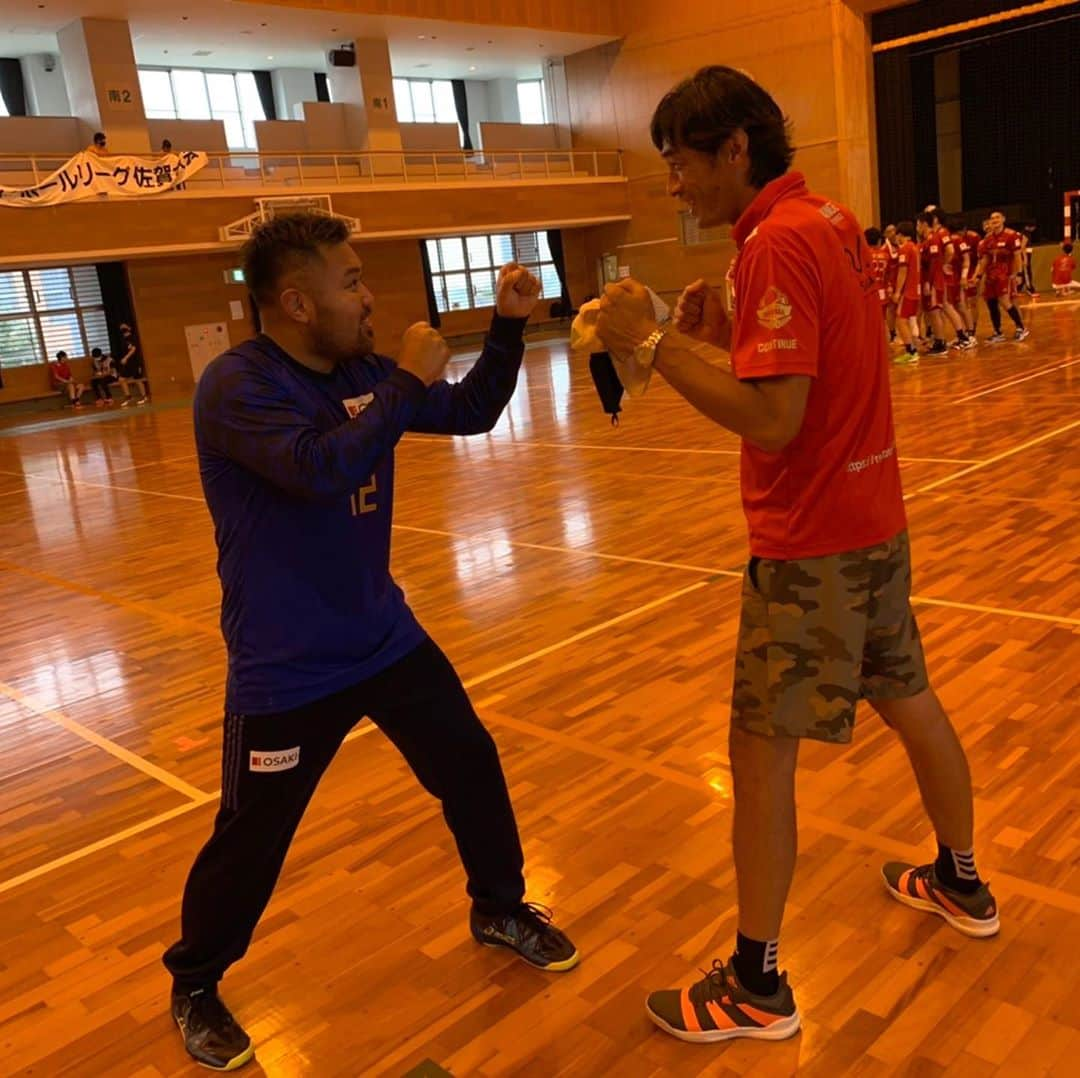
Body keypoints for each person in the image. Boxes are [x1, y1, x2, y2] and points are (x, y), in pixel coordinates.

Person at [595, 65, 998, 1047]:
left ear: (732, 149)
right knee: (910, 698)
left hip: (811, 542)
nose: (675, 186)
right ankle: (961, 876)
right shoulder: (828, 220)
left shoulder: (775, 242)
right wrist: (726, 330)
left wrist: (652, 345)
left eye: (680, 163)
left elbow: (776, 420)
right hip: (875, 521)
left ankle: (756, 982)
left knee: (759, 755)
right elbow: (820, 363)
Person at [163, 213, 578, 1071]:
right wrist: (399, 388)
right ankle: (196, 982)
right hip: (285, 669)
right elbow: (322, 467)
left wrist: (503, 328)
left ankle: (499, 906)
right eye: (350, 281)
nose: (367, 295)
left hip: (381, 636)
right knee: (252, 837)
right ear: (295, 302)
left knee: (468, 759)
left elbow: (468, 412)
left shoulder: (357, 369)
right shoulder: (237, 388)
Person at [973, 212, 1029, 342]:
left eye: (997, 217)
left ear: (1003, 219)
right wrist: (979, 276)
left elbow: (1017, 255)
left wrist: (1019, 273)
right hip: (991, 275)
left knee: (1005, 301)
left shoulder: (1011, 235)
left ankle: (1021, 327)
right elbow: (985, 259)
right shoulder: (987, 239)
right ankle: (997, 332)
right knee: (991, 303)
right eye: (992, 218)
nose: (994, 220)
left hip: (1005, 274)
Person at [892, 220, 922, 363]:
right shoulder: (914, 247)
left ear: (901, 235)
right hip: (915, 290)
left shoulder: (905, 249)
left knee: (900, 320)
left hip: (908, 291)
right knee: (906, 320)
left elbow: (902, 272)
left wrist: (897, 292)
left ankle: (911, 352)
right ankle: (912, 349)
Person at [115, 322, 150, 405]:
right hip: (128, 364)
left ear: (128, 328)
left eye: (123, 327)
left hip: (135, 362)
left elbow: (133, 349)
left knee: (137, 379)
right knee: (121, 379)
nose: (121, 328)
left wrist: (125, 358)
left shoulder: (132, 337)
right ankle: (128, 397)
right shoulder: (124, 339)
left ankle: (144, 397)